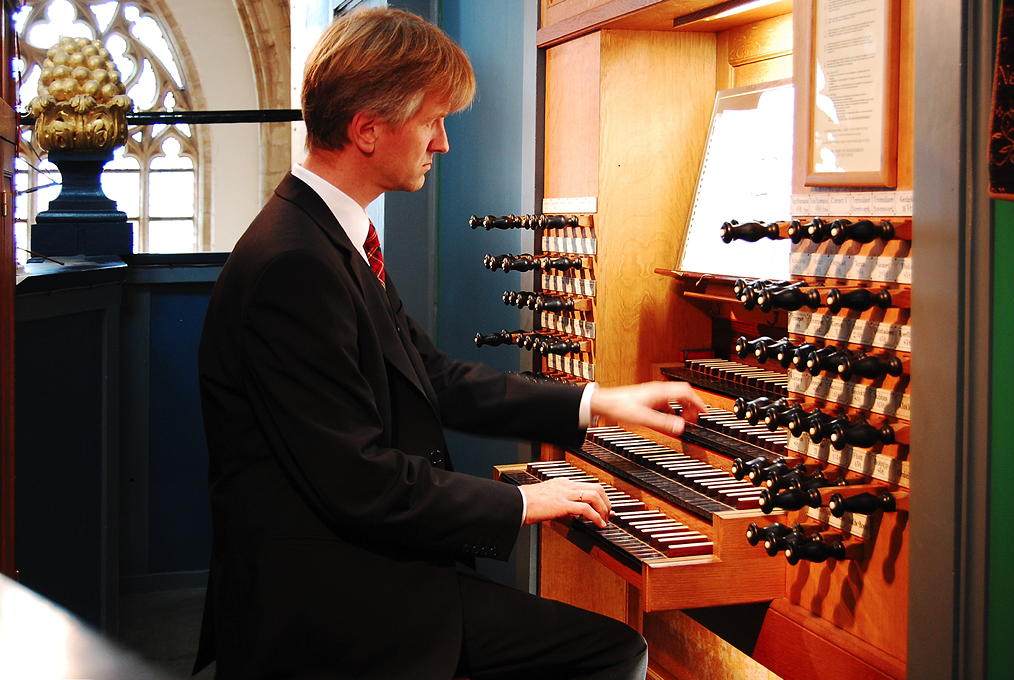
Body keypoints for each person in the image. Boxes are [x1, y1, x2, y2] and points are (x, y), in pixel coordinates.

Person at [194, 8, 706, 679]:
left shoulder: (328, 239)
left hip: (356, 573)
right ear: (368, 128)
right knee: (610, 653)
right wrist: (523, 501)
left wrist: (597, 402)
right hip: (329, 605)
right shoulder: (294, 264)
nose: (443, 144)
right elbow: (362, 485)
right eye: (433, 120)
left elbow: (435, 378)